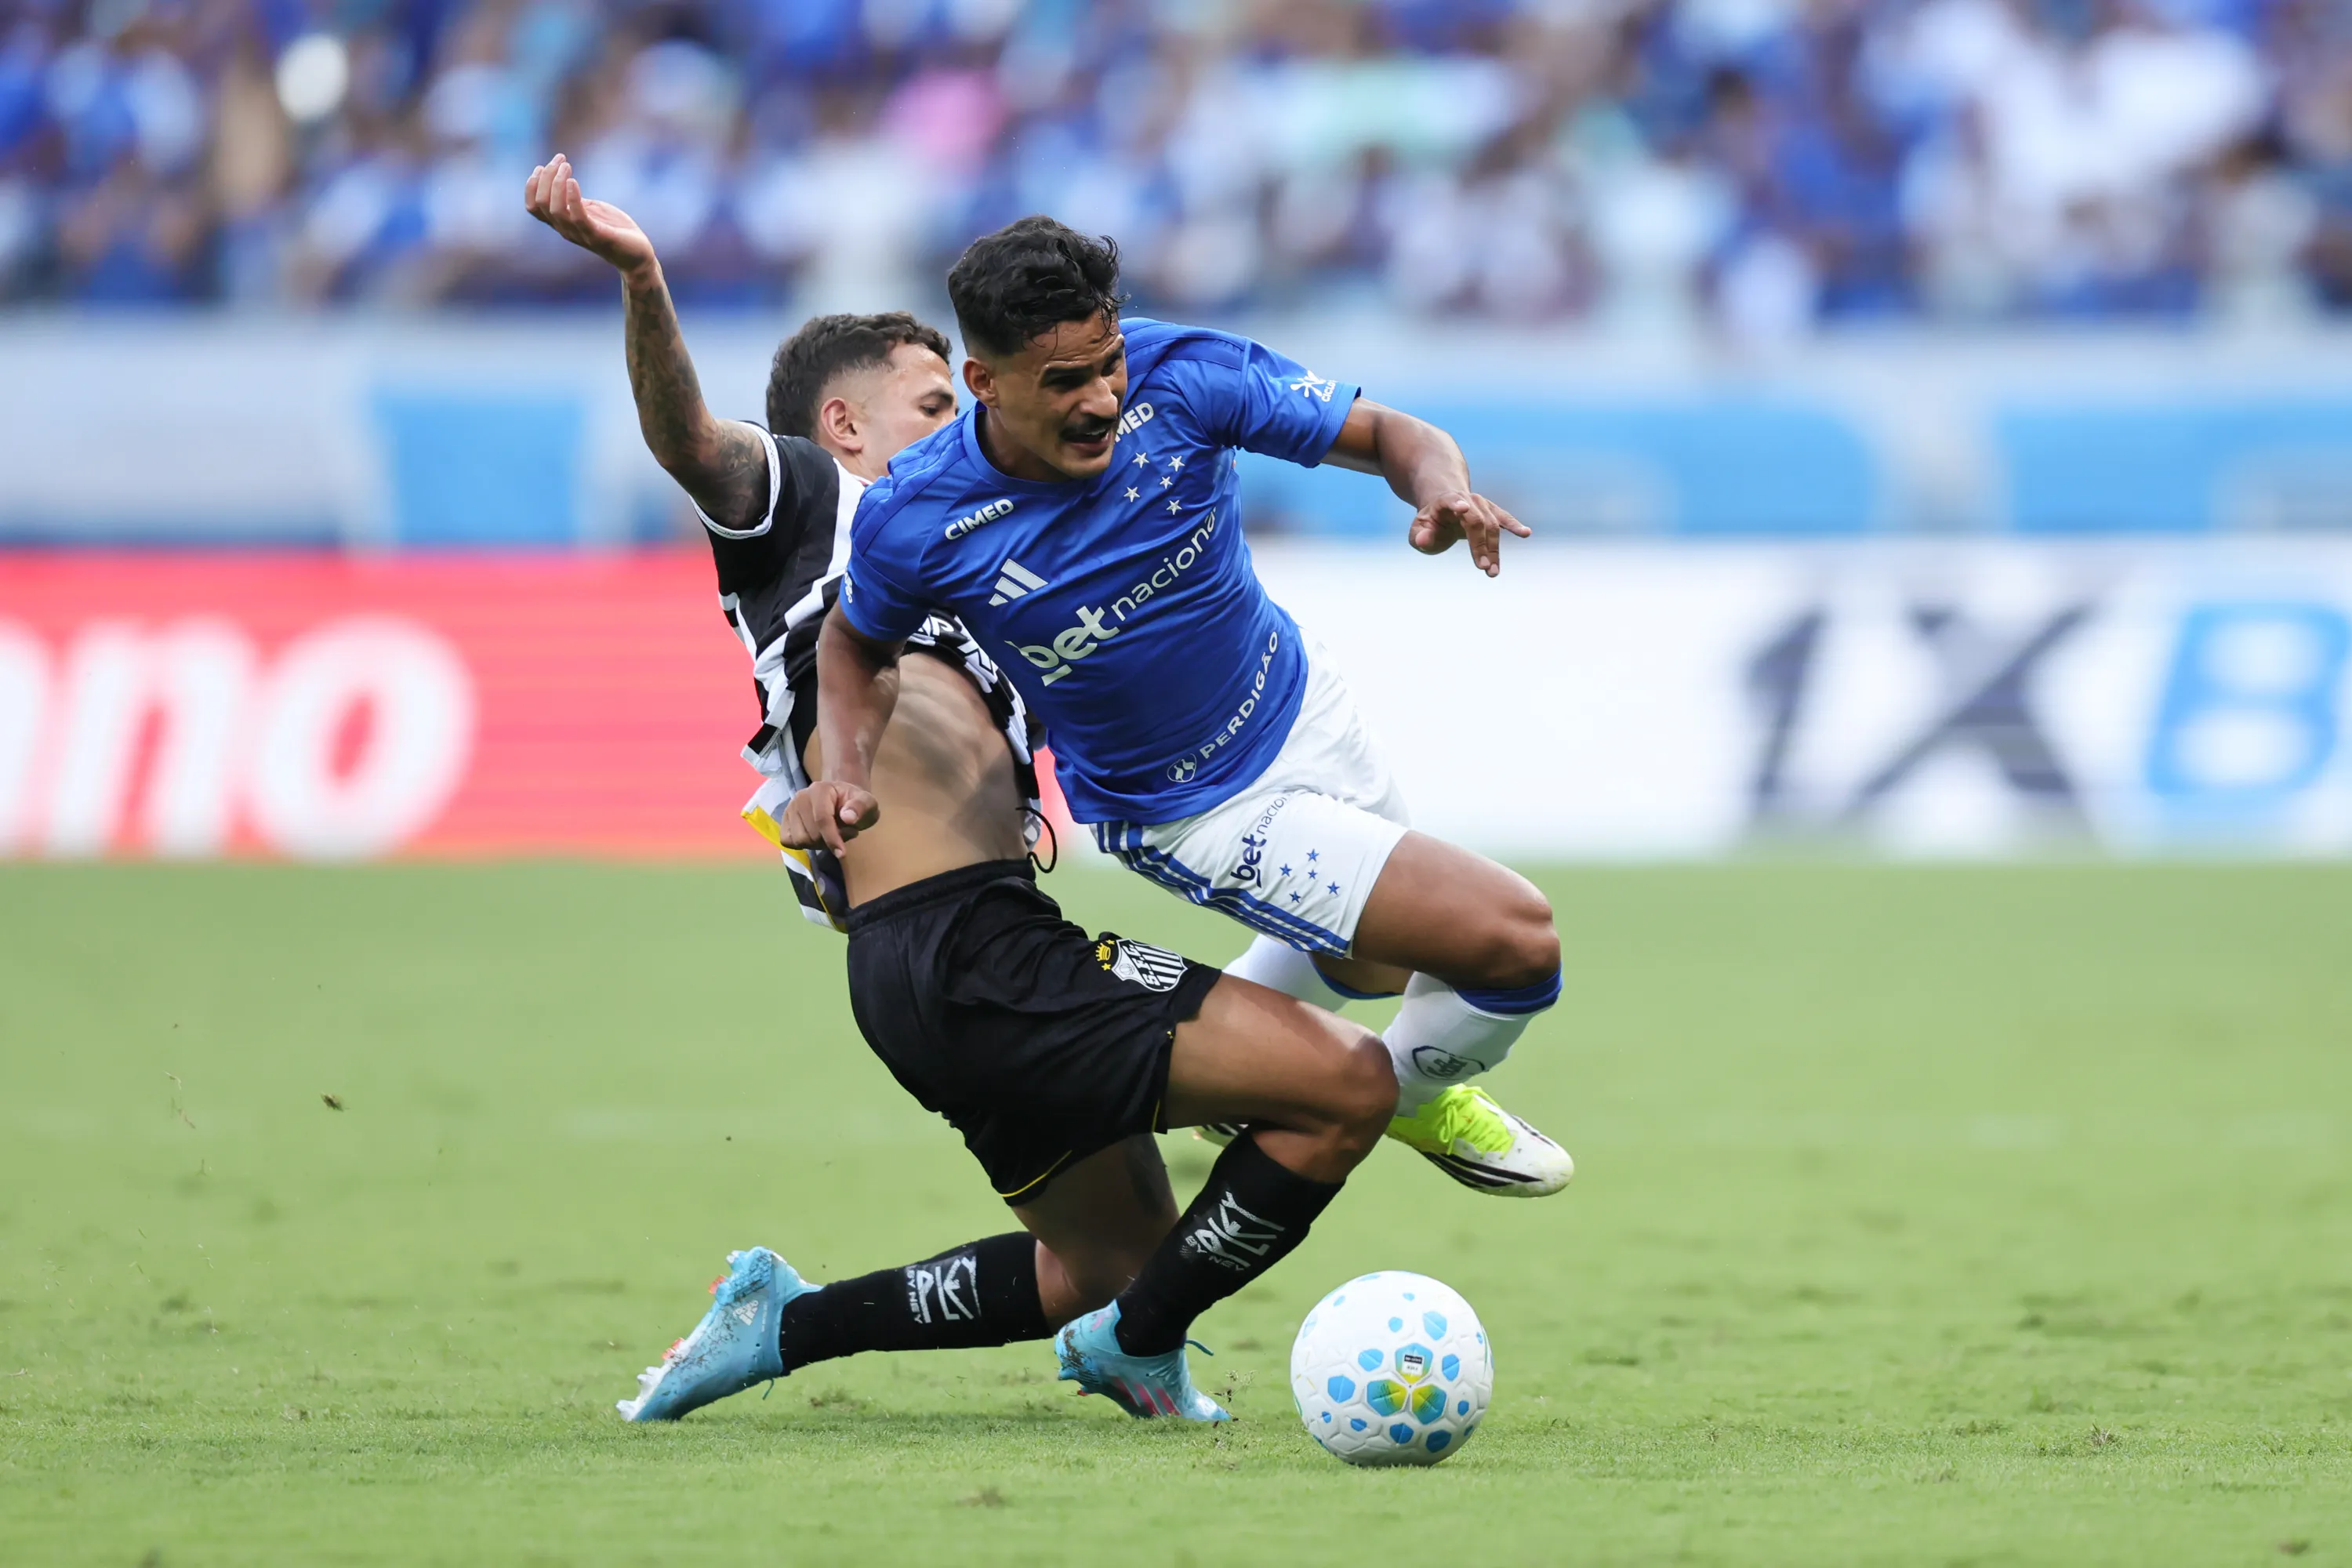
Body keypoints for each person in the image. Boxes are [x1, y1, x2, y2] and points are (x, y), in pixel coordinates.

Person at [524, 154, 1395, 1425]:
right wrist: (642, 276)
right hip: (962, 949)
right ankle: (1139, 1344)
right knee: (1347, 1087)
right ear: (843, 426)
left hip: (956, 957)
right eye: (936, 402)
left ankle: (786, 1323)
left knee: (1112, 1266)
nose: (962, 423)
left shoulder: (981, 543)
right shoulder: (817, 499)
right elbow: (690, 443)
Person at [782, 216, 1574, 1197]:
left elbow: (1389, 434)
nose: (1101, 399)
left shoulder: (1181, 374)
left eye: (1107, 363)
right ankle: (1397, 1096)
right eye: (1063, 382)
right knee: (1513, 943)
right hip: (1189, 806)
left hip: (1303, 704)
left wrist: (1441, 488)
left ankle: (1245, 1054)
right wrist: (843, 771)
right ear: (984, 383)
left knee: (1373, 967)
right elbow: (855, 642)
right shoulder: (921, 517)